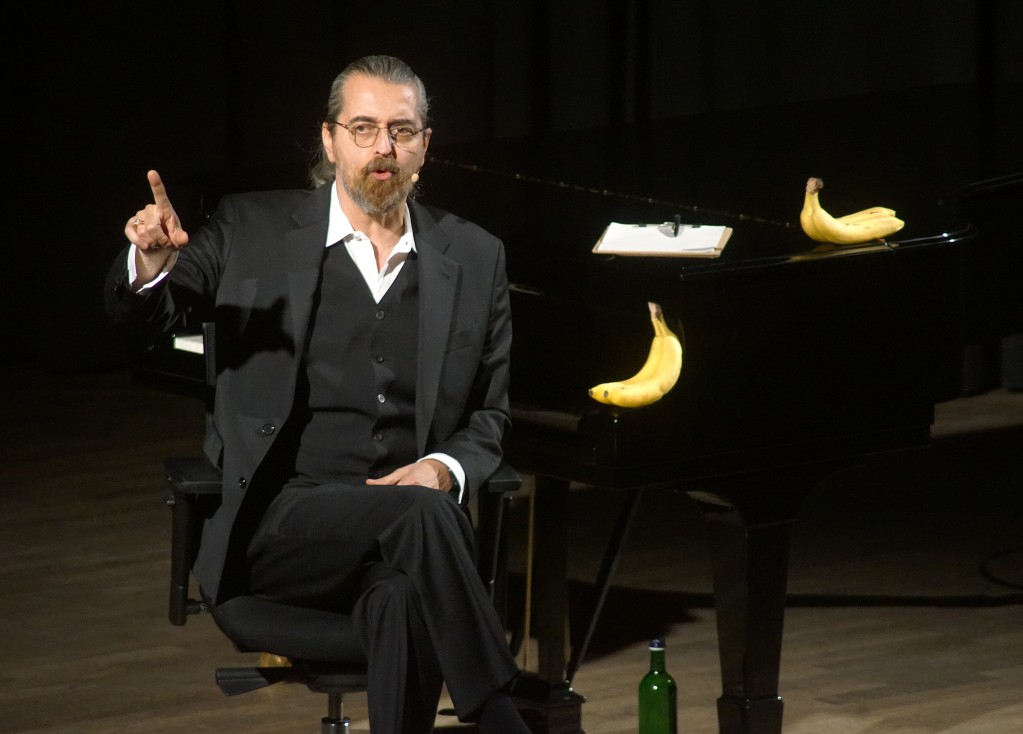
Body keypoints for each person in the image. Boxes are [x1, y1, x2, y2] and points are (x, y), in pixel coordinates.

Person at [105, 54, 531, 733]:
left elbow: (489, 415)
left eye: (401, 130)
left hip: (404, 545)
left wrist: (444, 467)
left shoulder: (475, 256)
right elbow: (147, 321)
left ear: (425, 145)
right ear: (330, 141)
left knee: (400, 596)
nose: (383, 147)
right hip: (283, 525)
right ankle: (502, 715)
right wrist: (150, 265)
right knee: (422, 515)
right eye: (363, 128)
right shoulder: (251, 228)